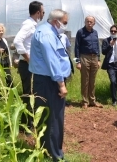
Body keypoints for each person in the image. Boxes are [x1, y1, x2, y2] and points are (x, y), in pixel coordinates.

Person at [29, 9, 70, 162]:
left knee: (47, 116)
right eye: (64, 23)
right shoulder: (47, 34)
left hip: (45, 79)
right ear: (55, 21)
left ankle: (46, 150)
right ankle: (55, 155)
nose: (65, 26)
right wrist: (61, 84)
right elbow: (52, 61)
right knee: (54, 118)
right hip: (50, 81)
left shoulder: (46, 31)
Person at [13, 1, 44, 130]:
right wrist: (28, 58)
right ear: (37, 12)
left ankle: (30, 121)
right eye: (42, 12)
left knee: (31, 93)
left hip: (31, 65)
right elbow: (17, 41)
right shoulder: (29, 25)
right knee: (28, 94)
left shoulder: (33, 24)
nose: (43, 14)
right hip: (27, 65)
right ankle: (26, 123)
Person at [74, 16, 103, 109]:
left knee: (92, 81)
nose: (89, 23)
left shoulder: (95, 33)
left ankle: (92, 101)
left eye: (91, 22)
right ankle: (84, 101)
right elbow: (76, 47)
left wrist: (99, 59)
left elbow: (98, 47)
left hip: (94, 57)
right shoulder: (80, 32)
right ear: (85, 22)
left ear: (94, 23)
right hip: (84, 57)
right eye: (87, 21)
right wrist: (77, 62)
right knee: (85, 80)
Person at [101, 24, 117, 106]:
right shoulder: (106, 41)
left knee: (116, 82)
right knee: (113, 81)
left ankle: (115, 95)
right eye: (111, 31)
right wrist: (110, 45)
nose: (113, 32)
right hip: (110, 65)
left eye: (114, 31)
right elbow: (103, 52)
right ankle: (114, 100)